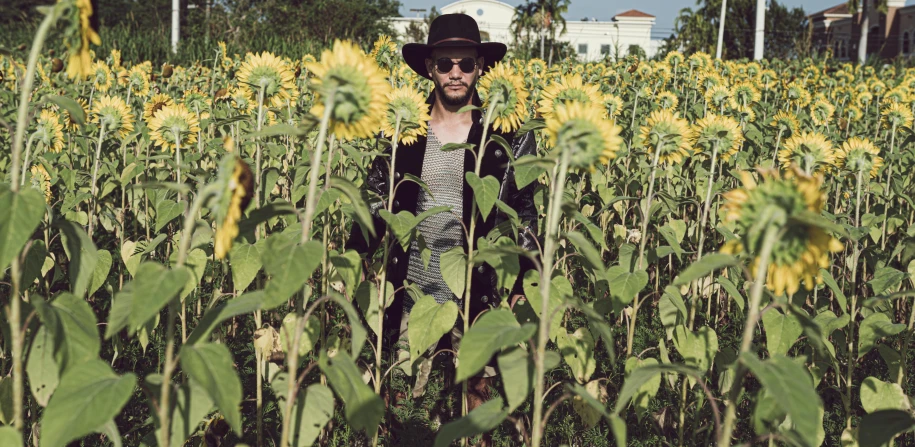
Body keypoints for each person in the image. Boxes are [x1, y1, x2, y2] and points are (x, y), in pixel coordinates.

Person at [347, 13, 539, 416]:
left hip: (477, 283)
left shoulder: (504, 136)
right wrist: (355, 255)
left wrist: (525, 277)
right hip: (411, 282)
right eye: (446, 64)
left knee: (476, 391)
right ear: (430, 68)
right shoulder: (405, 129)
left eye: (466, 64)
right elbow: (376, 197)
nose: (456, 73)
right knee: (398, 388)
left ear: (481, 68)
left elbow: (523, 212)